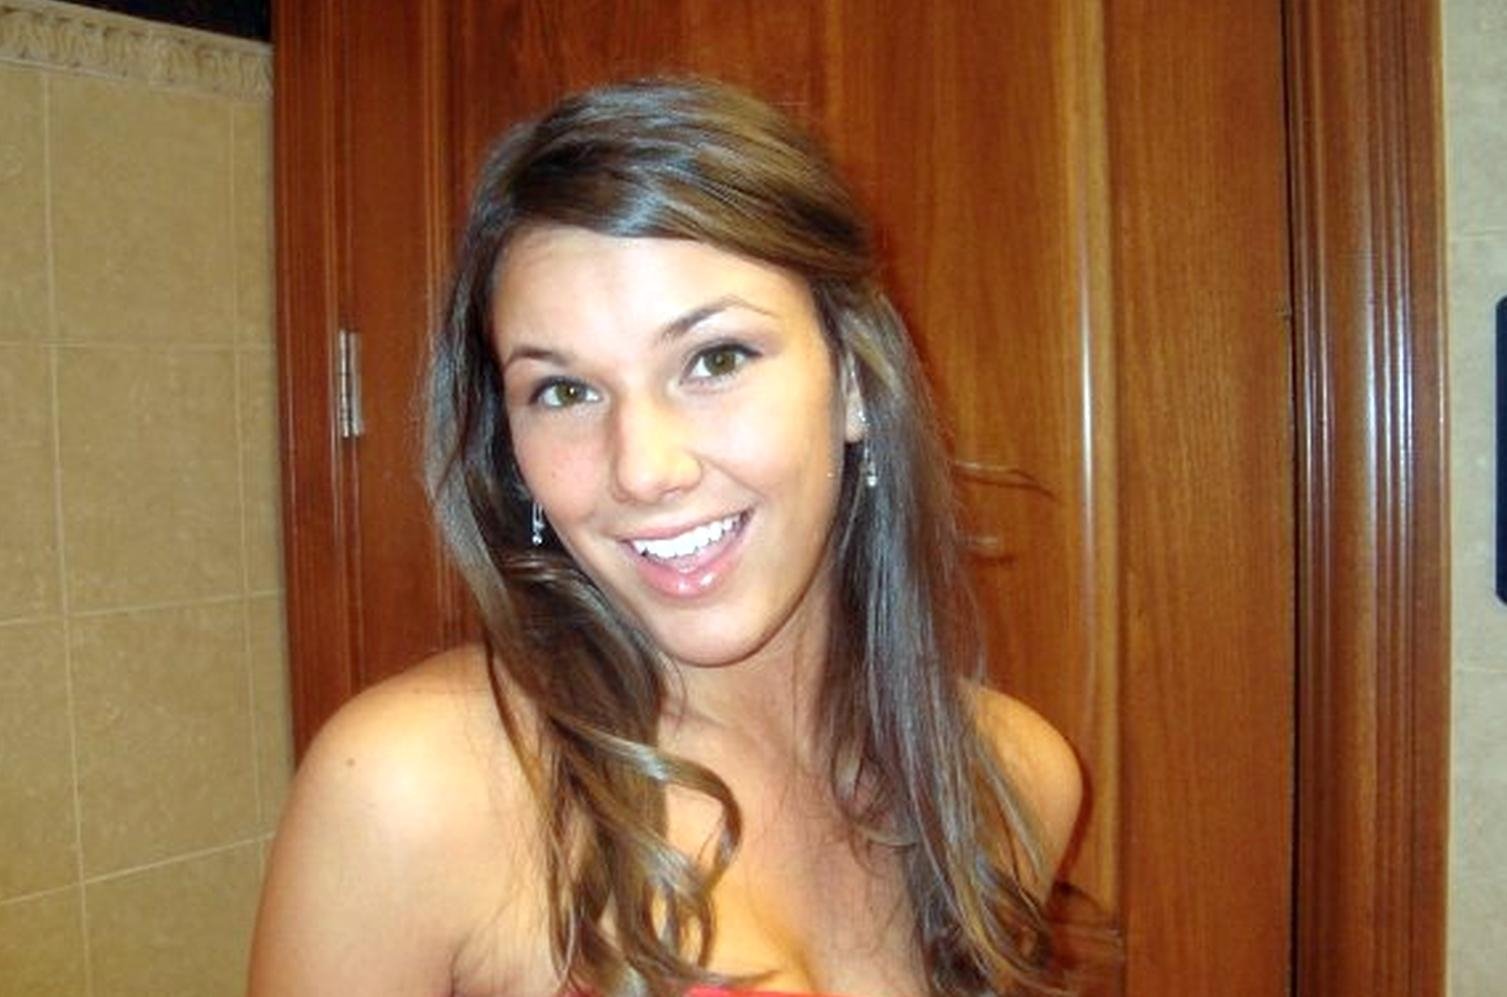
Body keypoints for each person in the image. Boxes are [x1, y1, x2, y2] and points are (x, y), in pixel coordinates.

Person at [248, 77, 1081, 997]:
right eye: (564, 390)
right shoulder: (414, 791)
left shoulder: (1011, 778)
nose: (643, 469)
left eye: (714, 359)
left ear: (851, 380)